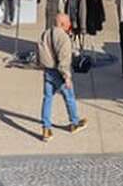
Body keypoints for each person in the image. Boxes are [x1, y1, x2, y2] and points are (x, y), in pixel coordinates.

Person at [38, 13, 88, 142]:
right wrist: (67, 77)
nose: (69, 25)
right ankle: (74, 122)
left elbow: (40, 52)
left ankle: (46, 128)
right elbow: (64, 59)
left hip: (47, 70)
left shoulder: (46, 33)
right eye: (67, 23)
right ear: (62, 24)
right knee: (69, 97)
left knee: (47, 98)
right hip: (58, 72)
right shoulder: (63, 37)